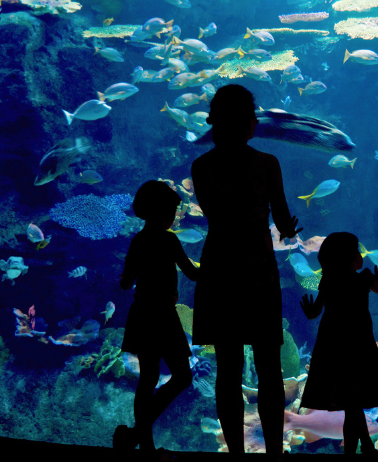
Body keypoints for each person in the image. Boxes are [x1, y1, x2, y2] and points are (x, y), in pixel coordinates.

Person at [190, 85, 302, 456]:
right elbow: (283, 221)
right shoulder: (267, 163)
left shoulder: (201, 167)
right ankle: (273, 453)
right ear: (251, 125)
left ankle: (236, 455)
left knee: (228, 367)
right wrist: (288, 230)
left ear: (215, 124)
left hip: (220, 265)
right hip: (257, 268)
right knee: (269, 367)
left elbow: (214, 215)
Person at [113, 180, 201, 461]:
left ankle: (142, 444)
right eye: (174, 211)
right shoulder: (169, 239)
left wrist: (136, 272)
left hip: (142, 313)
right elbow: (193, 274)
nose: (175, 216)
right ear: (161, 211)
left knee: (148, 379)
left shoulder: (138, 240)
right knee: (183, 376)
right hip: (162, 314)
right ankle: (138, 437)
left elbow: (126, 283)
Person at [299, 232, 378, 455]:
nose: (361, 256)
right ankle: (352, 453)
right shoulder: (363, 278)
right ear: (351, 257)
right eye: (358, 252)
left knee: (352, 401)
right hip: (359, 345)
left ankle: (367, 447)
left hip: (332, 345)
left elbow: (315, 312)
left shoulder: (329, 280)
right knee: (354, 401)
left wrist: (308, 309)